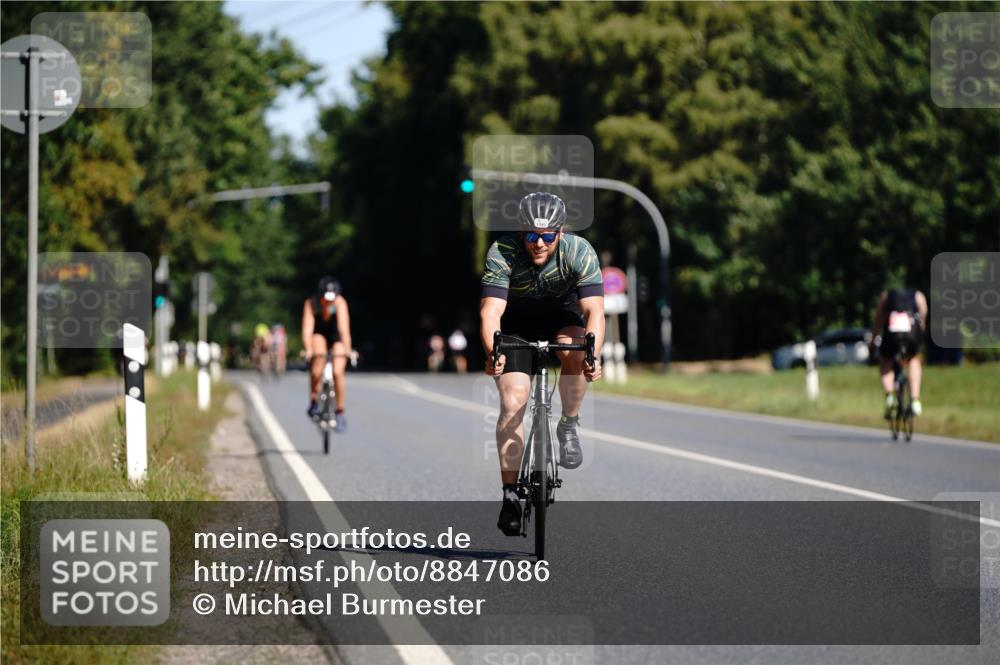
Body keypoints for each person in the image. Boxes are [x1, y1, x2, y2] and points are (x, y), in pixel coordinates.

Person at [480, 192, 604, 536]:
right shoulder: (502, 252)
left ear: (560, 233)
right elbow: (490, 311)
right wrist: (493, 351)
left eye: (547, 236)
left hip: (561, 319)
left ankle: (568, 424)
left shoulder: (579, 252)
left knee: (576, 351)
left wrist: (594, 353)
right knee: (512, 403)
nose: (538, 243)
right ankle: (509, 494)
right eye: (531, 235)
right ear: (521, 232)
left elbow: (594, 311)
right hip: (516, 326)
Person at [302, 276, 352, 432]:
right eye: (326, 299)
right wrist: (308, 349)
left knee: (338, 371)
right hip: (319, 334)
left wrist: (348, 349)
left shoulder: (340, 303)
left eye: (332, 299)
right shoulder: (311, 304)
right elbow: (307, 329)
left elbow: (344, 329)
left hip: (335, 336)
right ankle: (314, 400)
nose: (329, 302)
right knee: (318, 363)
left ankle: (340, 411)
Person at [871, 288, 928, 417]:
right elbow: (922, 319)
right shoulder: (918, 296)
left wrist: (873, 340)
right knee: (913, 359)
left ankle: (890, 396)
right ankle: (915, 400)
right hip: (912, 334)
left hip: (892, 336)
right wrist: (920, 336)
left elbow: (878, 320)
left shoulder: (886, 296)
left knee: (885, 359)